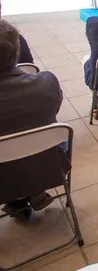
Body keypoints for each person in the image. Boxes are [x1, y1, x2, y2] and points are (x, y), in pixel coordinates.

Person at [0, 20, 63, 219]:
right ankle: (33, 190)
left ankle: (17, 198)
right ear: (17, 50)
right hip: (50, 167)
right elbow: (54, 109)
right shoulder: (46, 83)